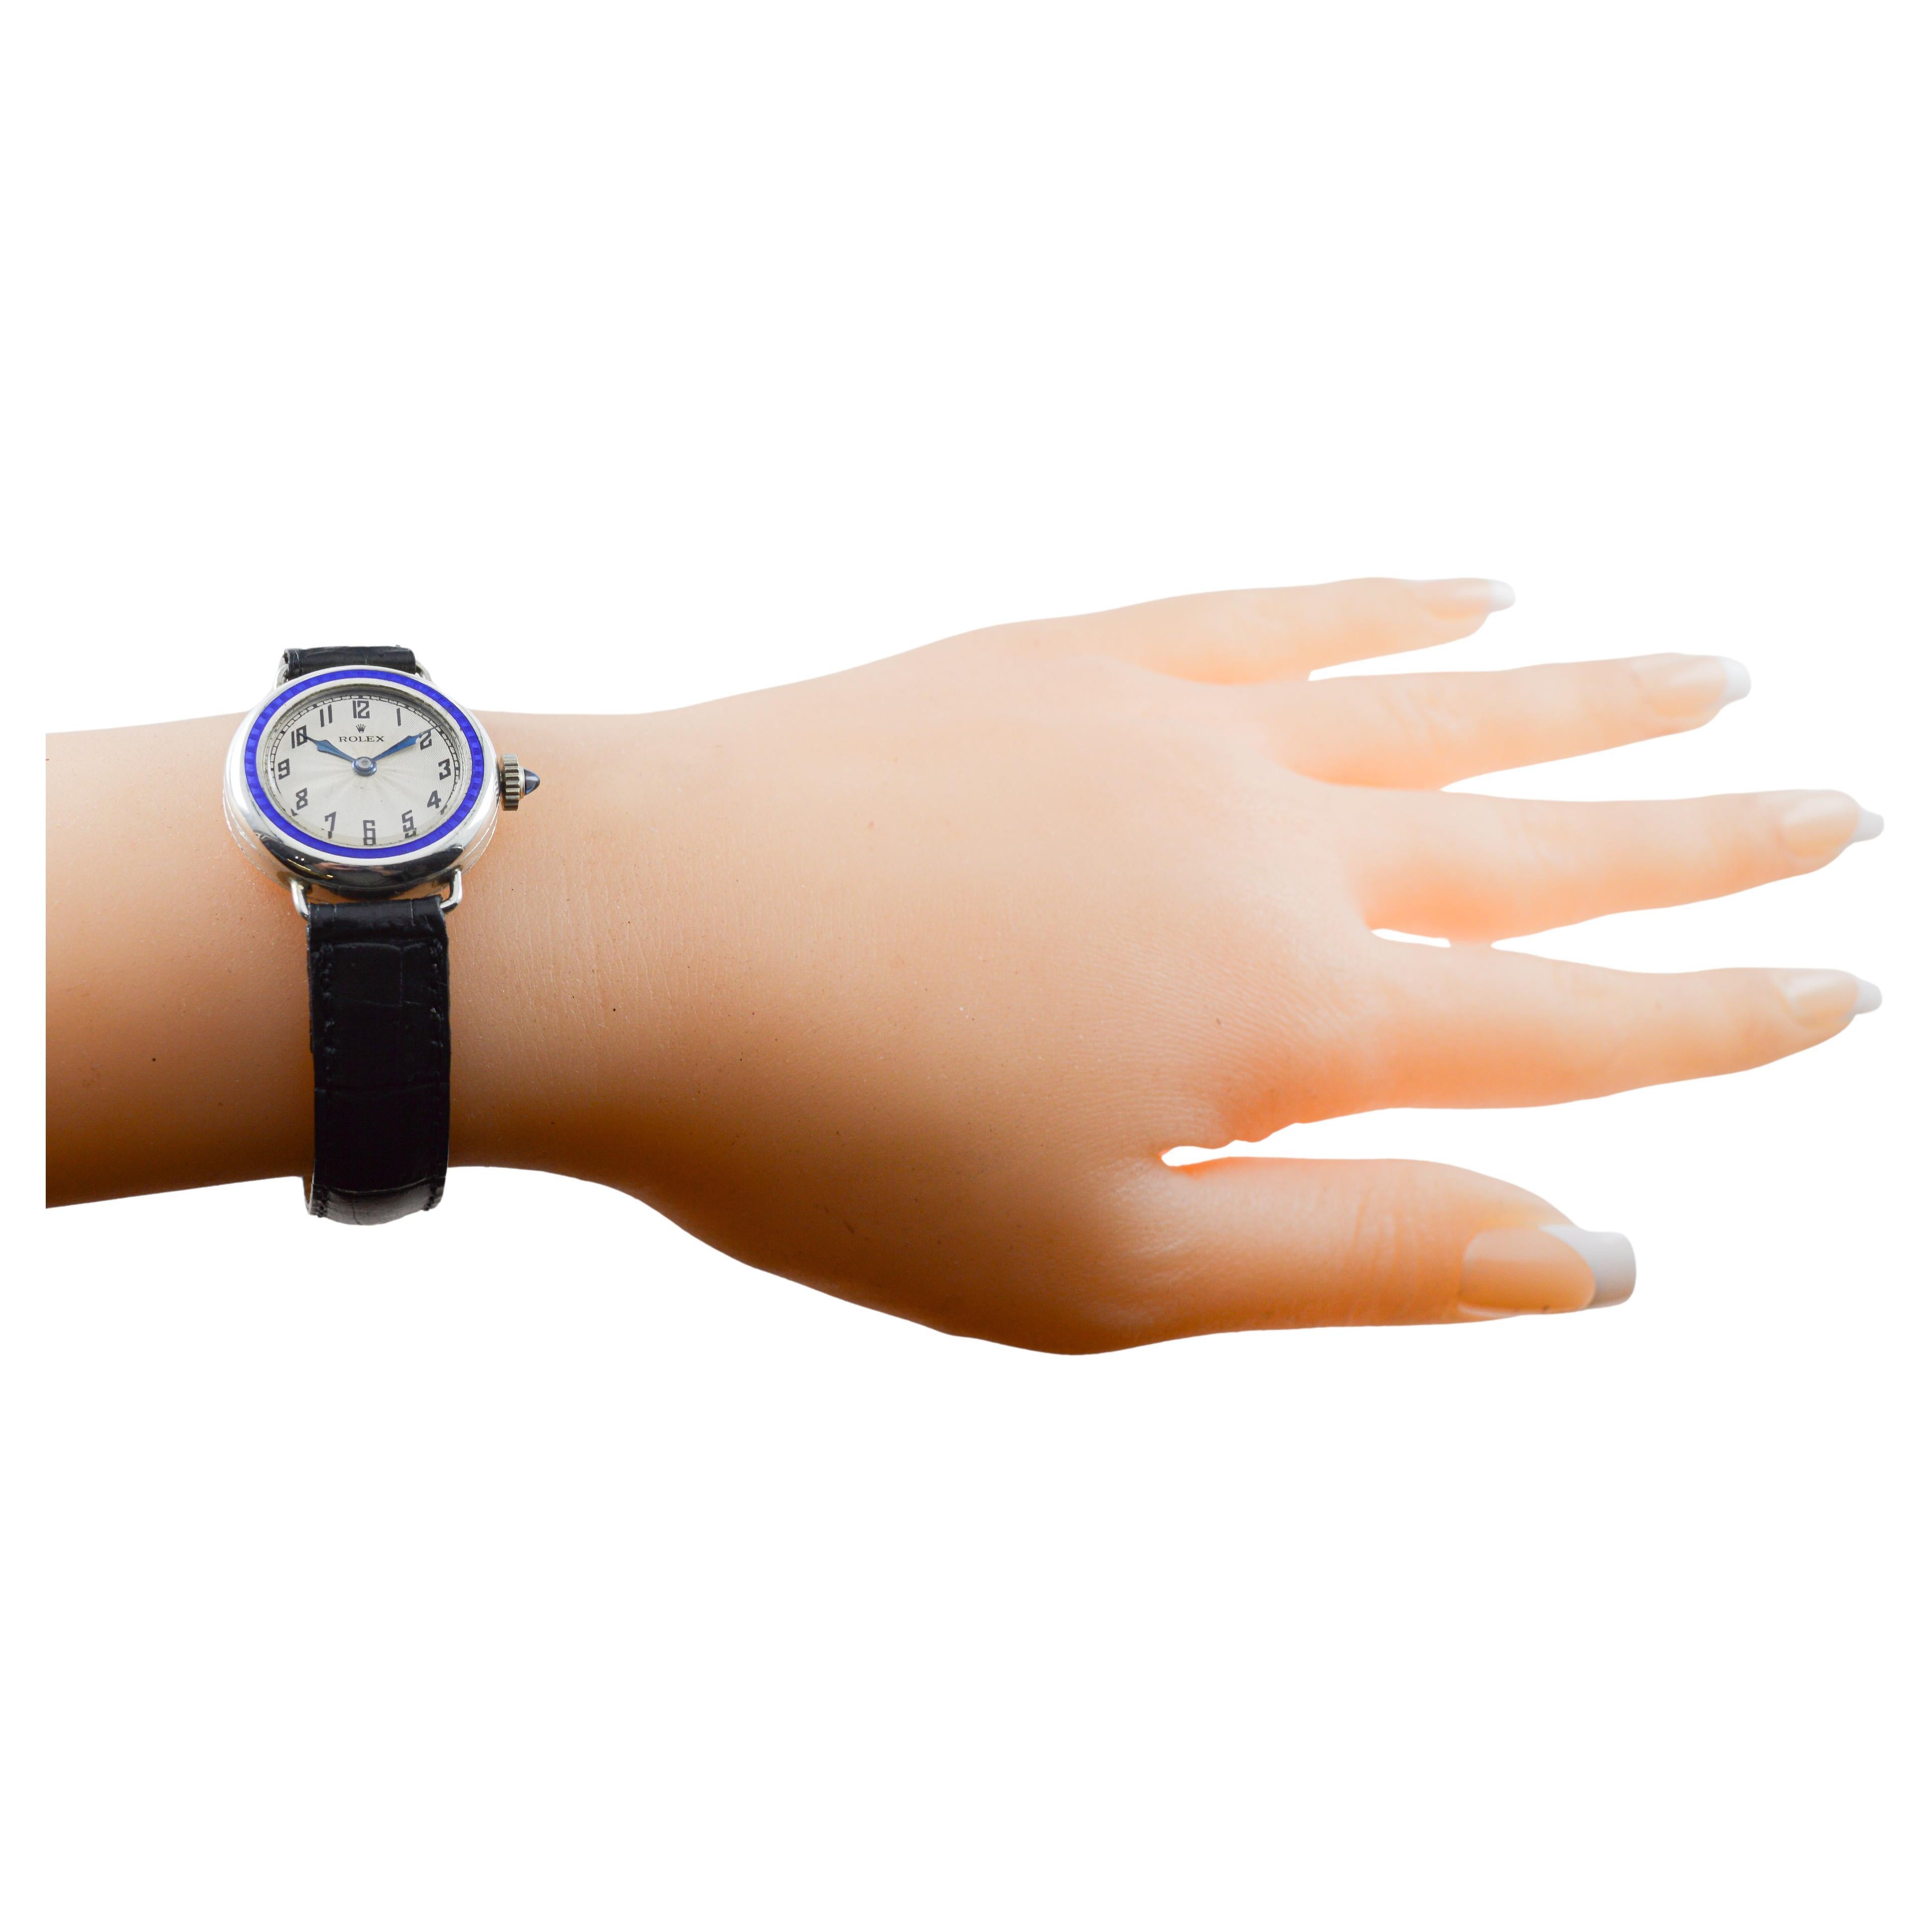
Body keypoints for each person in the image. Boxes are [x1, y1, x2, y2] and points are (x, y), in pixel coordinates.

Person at [45, 577, 1880, 1350]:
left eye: (393, 761)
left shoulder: (419, 784)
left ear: (473, 777)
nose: (370, 771)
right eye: (351, 766)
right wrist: (656, 894)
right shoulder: (392, 800)